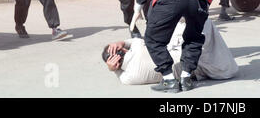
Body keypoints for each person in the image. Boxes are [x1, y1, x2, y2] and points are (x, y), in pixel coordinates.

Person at [102, 19, 238, 85]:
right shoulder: (137, 47)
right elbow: (132, 41)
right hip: (195, 59)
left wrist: (112, 69)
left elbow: (120, 75)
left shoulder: (129, 78)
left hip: (191, 67)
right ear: (122, 49)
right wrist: (119, 43)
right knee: (203, 21)